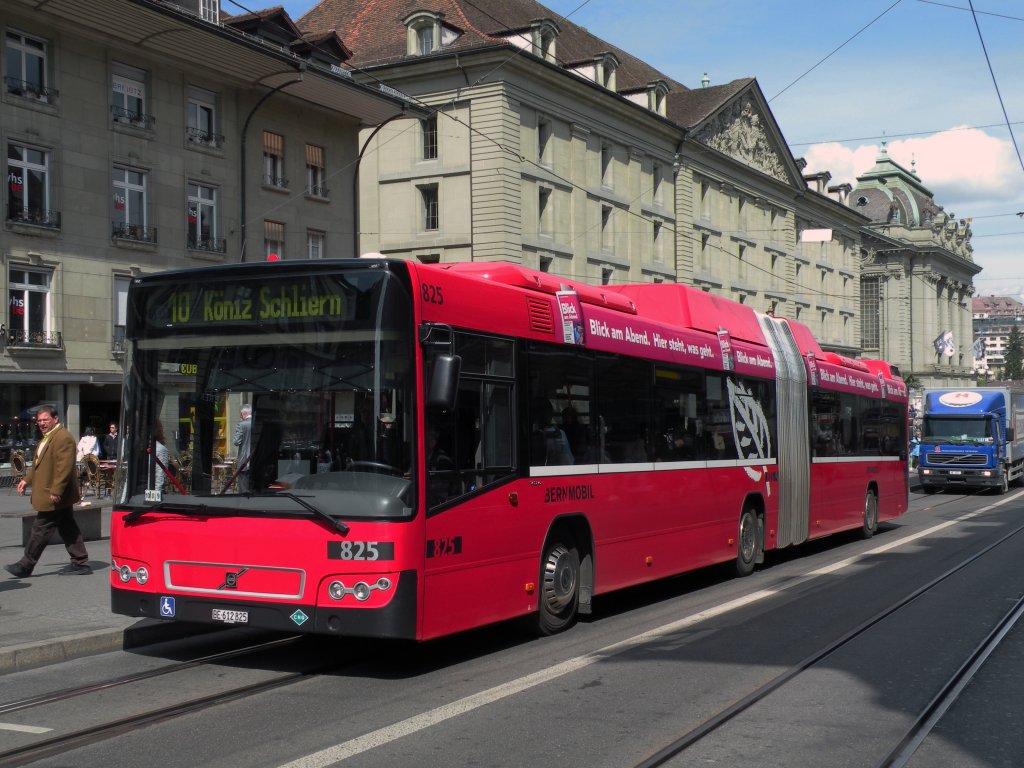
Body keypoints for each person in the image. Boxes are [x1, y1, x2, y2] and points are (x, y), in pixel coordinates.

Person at [5, 404, 90, 578]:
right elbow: (38, 465)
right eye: (40, 421)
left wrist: (56, 491)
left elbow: (64, 468)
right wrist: (26, 480)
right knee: (67, 527)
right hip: (53, 493)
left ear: (55, 419)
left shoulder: (62, 438)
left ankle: (26, 565)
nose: (42, 423)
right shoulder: (48, 436)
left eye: (45, 420)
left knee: (40, 529)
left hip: (54, 493)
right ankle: (80, 561)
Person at [232, 403, 253, 491]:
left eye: (241, 414)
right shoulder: (258, 423)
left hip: (244, 461)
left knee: (244, 490)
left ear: (244, 414)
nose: (241, 416)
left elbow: (236, 442)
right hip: (257, 460)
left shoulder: (241, 424)